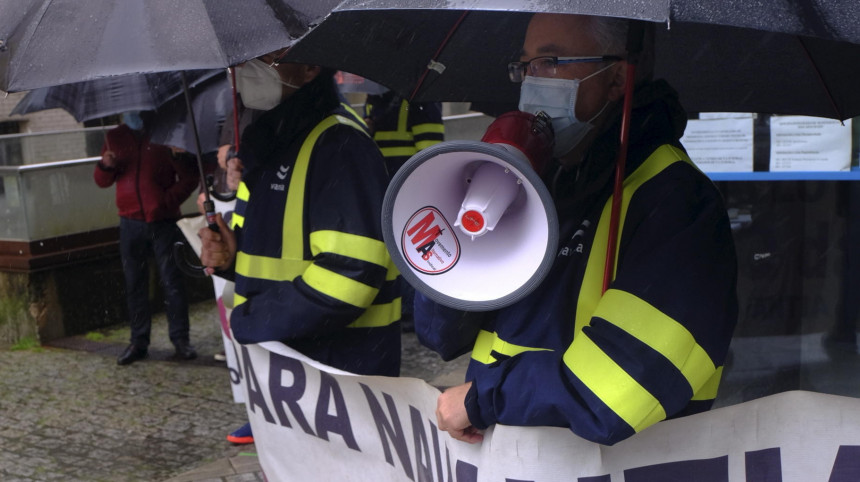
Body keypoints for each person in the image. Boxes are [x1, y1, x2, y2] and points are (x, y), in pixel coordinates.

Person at [417, 13, 738, 446]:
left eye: (551, 60)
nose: (533, 80)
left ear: (618, 77)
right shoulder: (543, 180)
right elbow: (439, 333)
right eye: (526, 64)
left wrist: (483, 400)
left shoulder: (676, 202)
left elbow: (619, 388)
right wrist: (463, 232)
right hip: (514, 457)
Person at [199, 50, 403, 443]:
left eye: (267, 58)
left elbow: (350, 275)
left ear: (311, 66)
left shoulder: (339, 143)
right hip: (294, 380)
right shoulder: (277, 141)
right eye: (244, 57)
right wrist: (231, 260)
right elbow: (278, 259)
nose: (247, 68)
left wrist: (252, 317)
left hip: (341, 381)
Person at [94, 111, 200, 366]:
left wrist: (165, 203)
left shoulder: (166, 134)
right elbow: (101, 181)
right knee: (134, 284)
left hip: (162, 222)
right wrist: (106, 166)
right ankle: (138, 342)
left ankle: (180, 340)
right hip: (130, 223)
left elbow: (189, 177)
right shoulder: (114, 137)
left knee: (172, 282)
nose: (133, 113)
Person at [363, 90, 445, 333]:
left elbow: (430, 151)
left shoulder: (405, 100)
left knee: (403, 247)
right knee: (405, 248)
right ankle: (407, 309)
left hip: (395, 185)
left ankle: (407, 309)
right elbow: (430, 150)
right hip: (396, 186)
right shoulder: (389, 100)